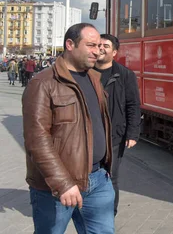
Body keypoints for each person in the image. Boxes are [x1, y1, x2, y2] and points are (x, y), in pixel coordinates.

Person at [22, 23, 114, 233]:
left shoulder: (94, 78)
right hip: (55, 188)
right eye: (91, 45)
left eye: (100, 45)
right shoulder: (42, 83)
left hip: (98, 180)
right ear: (70, 45)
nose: (97, 51)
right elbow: (36, 139)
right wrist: (63, 183)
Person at [94, 33, 141, 216]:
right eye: (98, 45)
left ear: (114, 52)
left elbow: (133, 104)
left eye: (106, 46)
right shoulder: (86, 72)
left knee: (110, 177)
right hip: (89, 134)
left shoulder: (125, 75)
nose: (101, 48)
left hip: (114, 134)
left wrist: (132, 133)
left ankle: (108, 214)